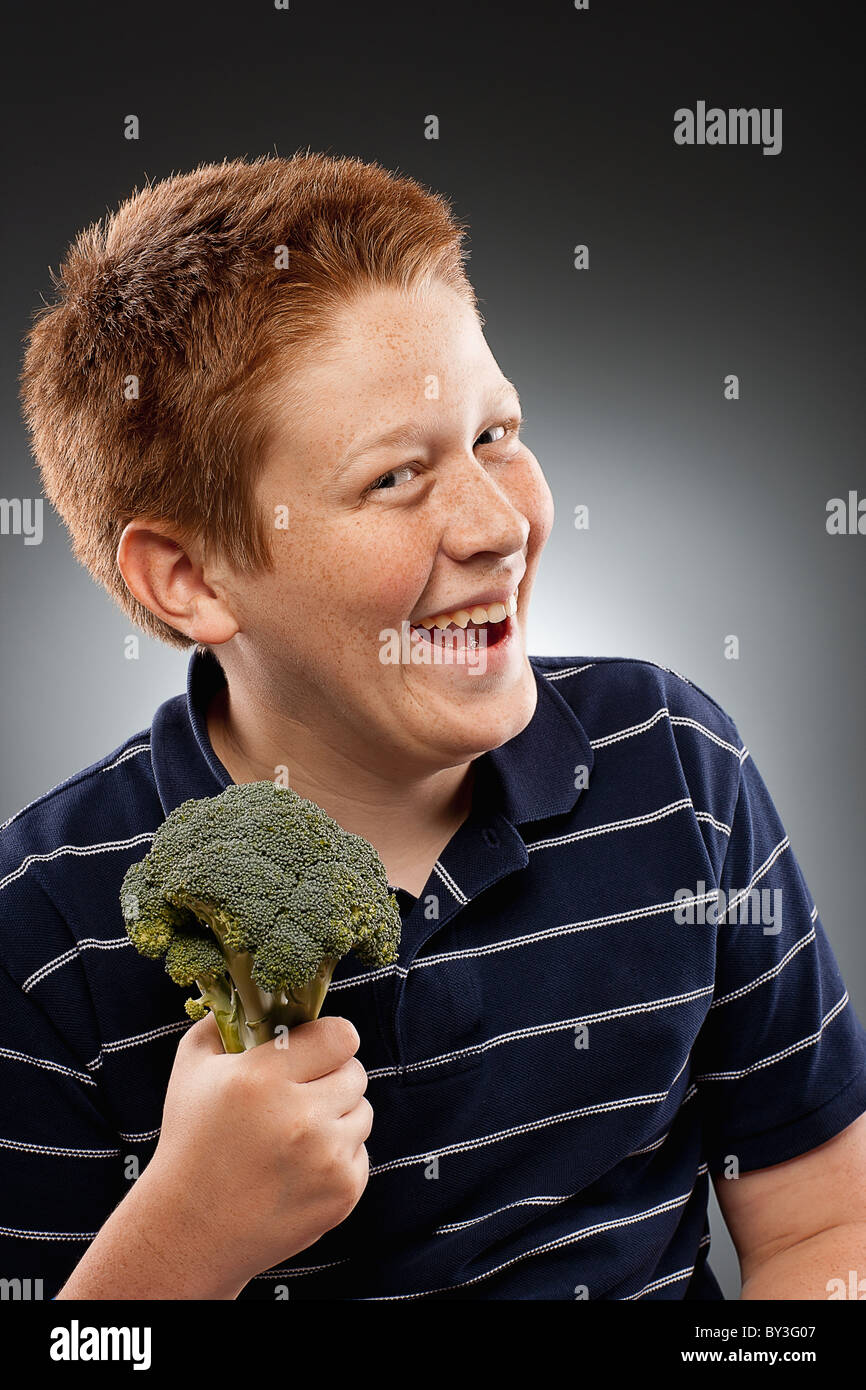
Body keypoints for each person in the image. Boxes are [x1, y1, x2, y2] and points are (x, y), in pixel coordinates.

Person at [5, 152, 865, 1301]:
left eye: (495, 434)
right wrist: (181, 1240)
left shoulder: (669, 759)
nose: (497, 522)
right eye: (396, 477)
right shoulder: (46, 920)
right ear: (189, 577)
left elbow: (822, 1230)